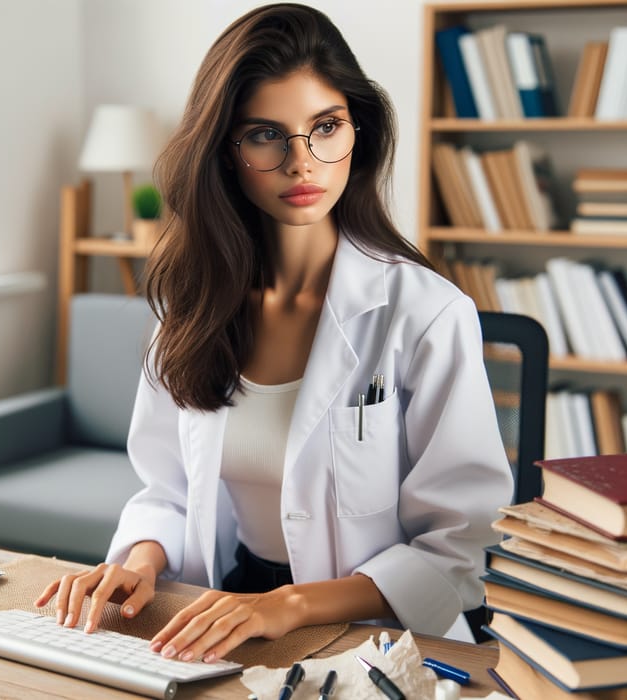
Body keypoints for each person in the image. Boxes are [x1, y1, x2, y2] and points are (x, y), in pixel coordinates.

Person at [36, 3, 513, 663]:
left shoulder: (426, 312)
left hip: (378, 635)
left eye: (325, 127)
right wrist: (142, 563)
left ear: (358, 132)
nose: (302, 162)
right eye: (266, 134)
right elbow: (167, 488)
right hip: (223, 611)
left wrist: (286, 605)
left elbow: (458, 548)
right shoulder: (190, 304)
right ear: (225, 153)